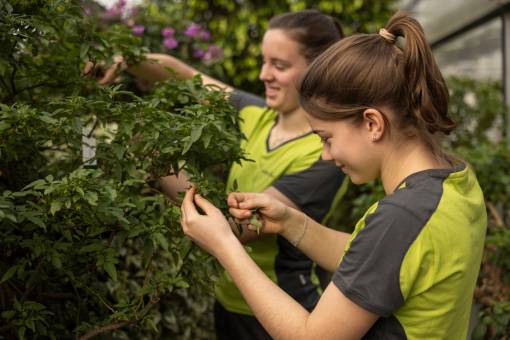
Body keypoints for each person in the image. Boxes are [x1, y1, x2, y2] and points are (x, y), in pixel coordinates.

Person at [180, 10, 488, 340]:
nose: (326, 154)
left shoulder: (402, 215)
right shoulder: (454, 180)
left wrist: (225, 245)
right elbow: (379, 260)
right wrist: (290, 222)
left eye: (327, 138)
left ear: (372, 123)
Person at [94, 10, 346, 339]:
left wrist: (158, 163)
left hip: (283, 309)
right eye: (264, 61)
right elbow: (184, 76)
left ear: (318, 68)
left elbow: (237, 227)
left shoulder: (325, 154)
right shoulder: (258, 115)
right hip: (229, 298)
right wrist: (124, 59)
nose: (263, 74)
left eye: (279, 66)